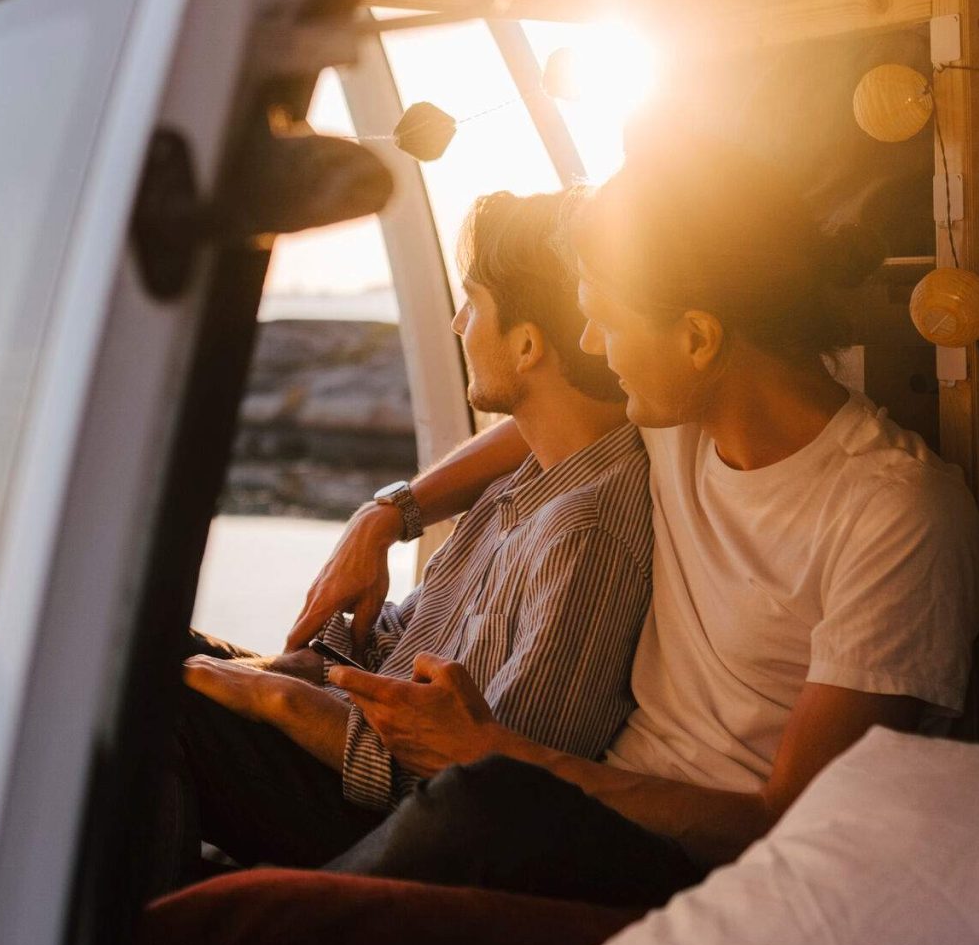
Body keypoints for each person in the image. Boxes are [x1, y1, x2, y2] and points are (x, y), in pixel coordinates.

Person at [301, 131, 979, 906]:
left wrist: (500, 755)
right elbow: (531, 424)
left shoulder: (896, 514)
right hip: (584, 809)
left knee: (467, 808)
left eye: (606, 320)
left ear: (698, 337)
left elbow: (788, 817)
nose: (592, 345)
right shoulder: (680, 418)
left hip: (703, 872)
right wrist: (388, 514)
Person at [163, 189, 652, 881]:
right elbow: (406, 631)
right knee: (141, 650)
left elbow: (490, 787)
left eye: (473, 301)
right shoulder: (525, 479)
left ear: (527, 343)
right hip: (357, 734)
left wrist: (286, 699)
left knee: (159, 707)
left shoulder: (586, 532)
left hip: (386, 812)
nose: (457, 322)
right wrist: (320, 665)